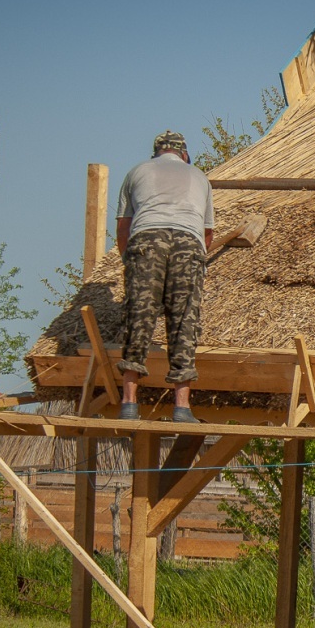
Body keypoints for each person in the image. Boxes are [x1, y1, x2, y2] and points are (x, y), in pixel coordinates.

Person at [115, 130, 213, 423]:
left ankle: (129, 404)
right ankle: (182, 407)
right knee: (184, 320)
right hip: (188, 241)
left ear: (156, 153)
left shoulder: (137, 172)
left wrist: (129, 261)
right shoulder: (200, 177)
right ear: (184, 154)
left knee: (140, 317)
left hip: (147, 238)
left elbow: (123, 227)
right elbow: (207, 233)